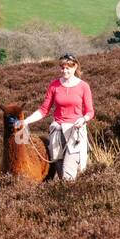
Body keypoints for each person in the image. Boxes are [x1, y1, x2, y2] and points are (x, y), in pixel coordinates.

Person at [16, 53, 94, 181]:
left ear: (75, 67)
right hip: (57, 133)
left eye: (68, 68)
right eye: (62, 68)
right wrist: (26, 121)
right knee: (61, 173)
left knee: (68, 175)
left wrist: (83, 119)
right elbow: (43, 110)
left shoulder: (83, 86)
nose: (65, 71)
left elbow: (90, 112)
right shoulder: (54, 85)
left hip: (75, 133)